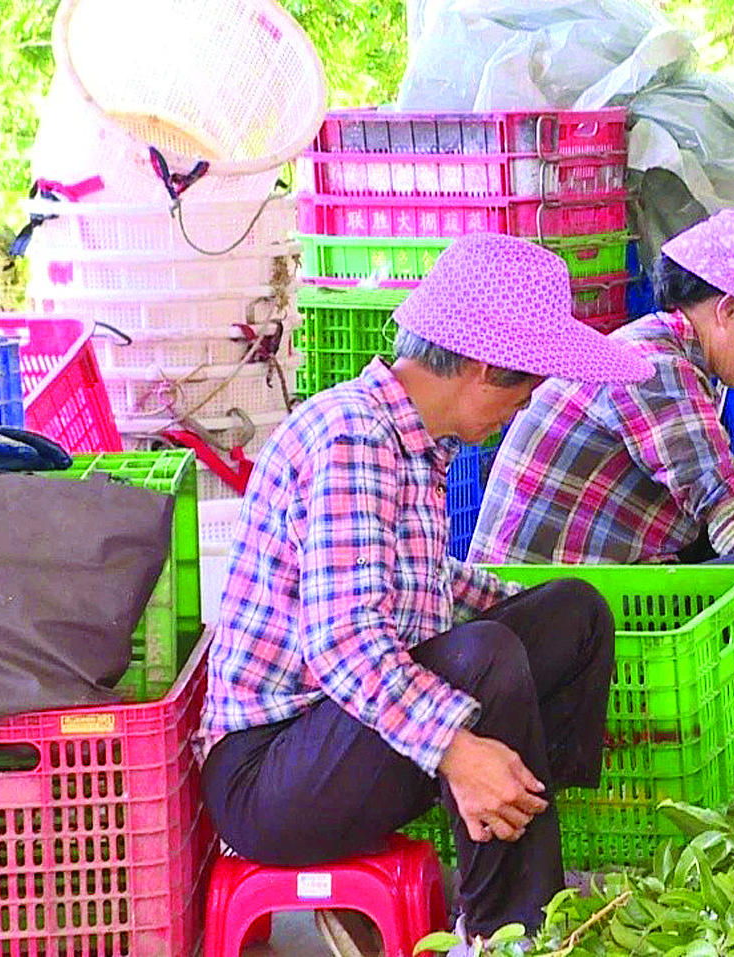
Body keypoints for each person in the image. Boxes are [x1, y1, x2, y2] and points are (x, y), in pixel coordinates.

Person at [197, 233, 654, 940]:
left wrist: (530, 621)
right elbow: (345, 642)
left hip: (339, 735)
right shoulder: (354, 436)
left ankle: (523, 827)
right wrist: (455, 749)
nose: (522, 410)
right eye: (523, 389)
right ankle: (509, 927)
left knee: (573, 613)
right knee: (486, 656)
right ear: (479, 368)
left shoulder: (413, 442)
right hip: (269, 777)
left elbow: (427, 584)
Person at [469, 209, 734, 669]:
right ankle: (696, 728)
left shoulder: (673, 356)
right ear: (729, 312)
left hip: (602, 589)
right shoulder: (652, 368)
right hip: (546, 627)